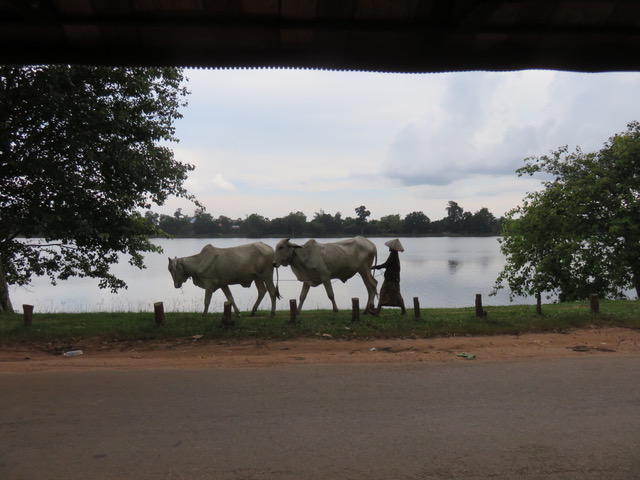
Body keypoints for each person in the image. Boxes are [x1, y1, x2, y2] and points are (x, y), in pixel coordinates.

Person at [372, 239, 406, 315]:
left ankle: (404, 311)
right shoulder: (393, 255)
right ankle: (377, 311)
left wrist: (374, 267)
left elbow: (385, 265)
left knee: (395, 294)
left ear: (393, 248)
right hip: (390, 278)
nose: (389, 248)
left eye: (390, 247)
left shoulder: (393, 256)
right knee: (384, 293)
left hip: (392, 279)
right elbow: (387, 265)